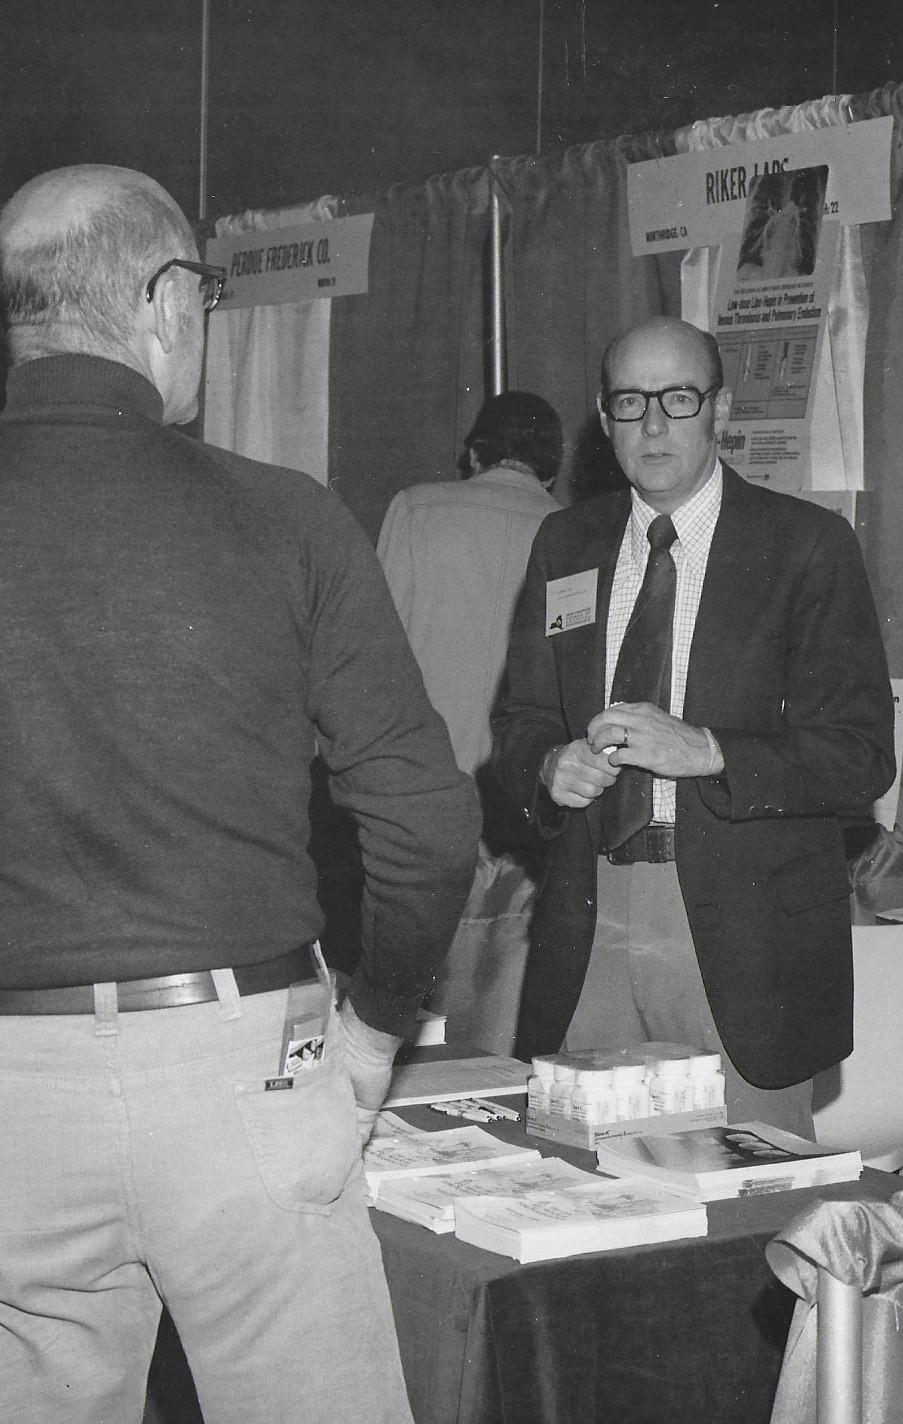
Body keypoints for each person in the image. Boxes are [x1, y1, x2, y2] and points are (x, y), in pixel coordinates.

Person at [0, 165, 478, 1420]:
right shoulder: (287, 519)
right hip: (240, 1074)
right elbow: (426, 826)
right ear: (164, 301)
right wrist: (375, 1033)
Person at [492, 316, 893, 1135]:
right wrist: (547, 764)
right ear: (603, 423)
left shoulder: (806, 545)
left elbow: (860, 757)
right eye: (629, 402)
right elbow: (520, 718)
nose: (652, 424)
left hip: (741, 932)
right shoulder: (564, 542)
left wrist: (707, 751)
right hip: (591, 911)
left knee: (742, 1201)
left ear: (721, 408)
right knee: (584, 1185)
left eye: (677, 398)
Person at [377, 392, 564, 1052]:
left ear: (475, 454)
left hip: (425, 797)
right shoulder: (572, 529)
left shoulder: (417, 509)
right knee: (497, 995)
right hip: (527, 801)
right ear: (551, 470)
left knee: (410, 1007)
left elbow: (379, 655)